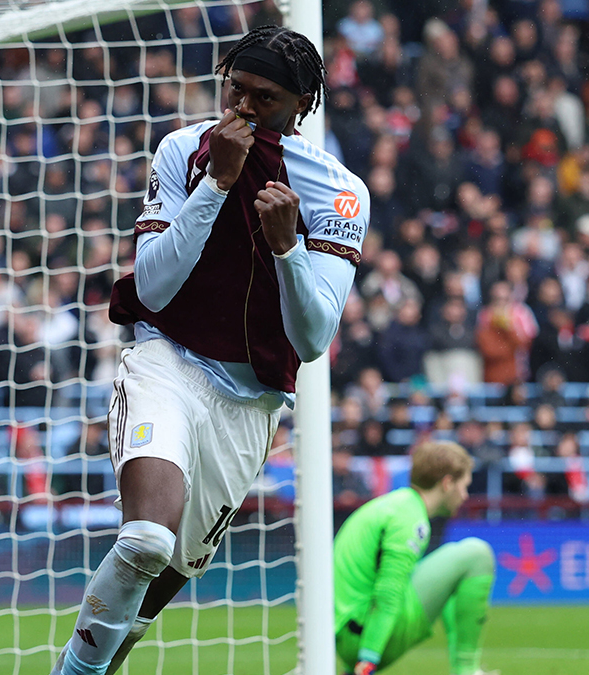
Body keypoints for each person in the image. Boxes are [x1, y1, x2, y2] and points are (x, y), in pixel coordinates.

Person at [51, 25, 368, 675]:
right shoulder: (183, 150)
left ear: (303, 104)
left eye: (266, 99)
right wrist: (216, 186)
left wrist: (288, 248)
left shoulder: (340, 193)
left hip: (249, 402)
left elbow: (312, 339)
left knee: (147, 600)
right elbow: (156, 288)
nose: (245, 109)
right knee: (144, 538)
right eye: (236, 91)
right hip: (168, 358)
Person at [333, 441, 497, 675]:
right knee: (477, 554)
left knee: (452, 570)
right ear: (447, 483)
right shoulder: (410, 520)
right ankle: (467, 670)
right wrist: (368, 659)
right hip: (363, 637)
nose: (465, 495)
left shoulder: (396, 504)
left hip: (346, 632)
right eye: (463, 486)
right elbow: (388, 593)